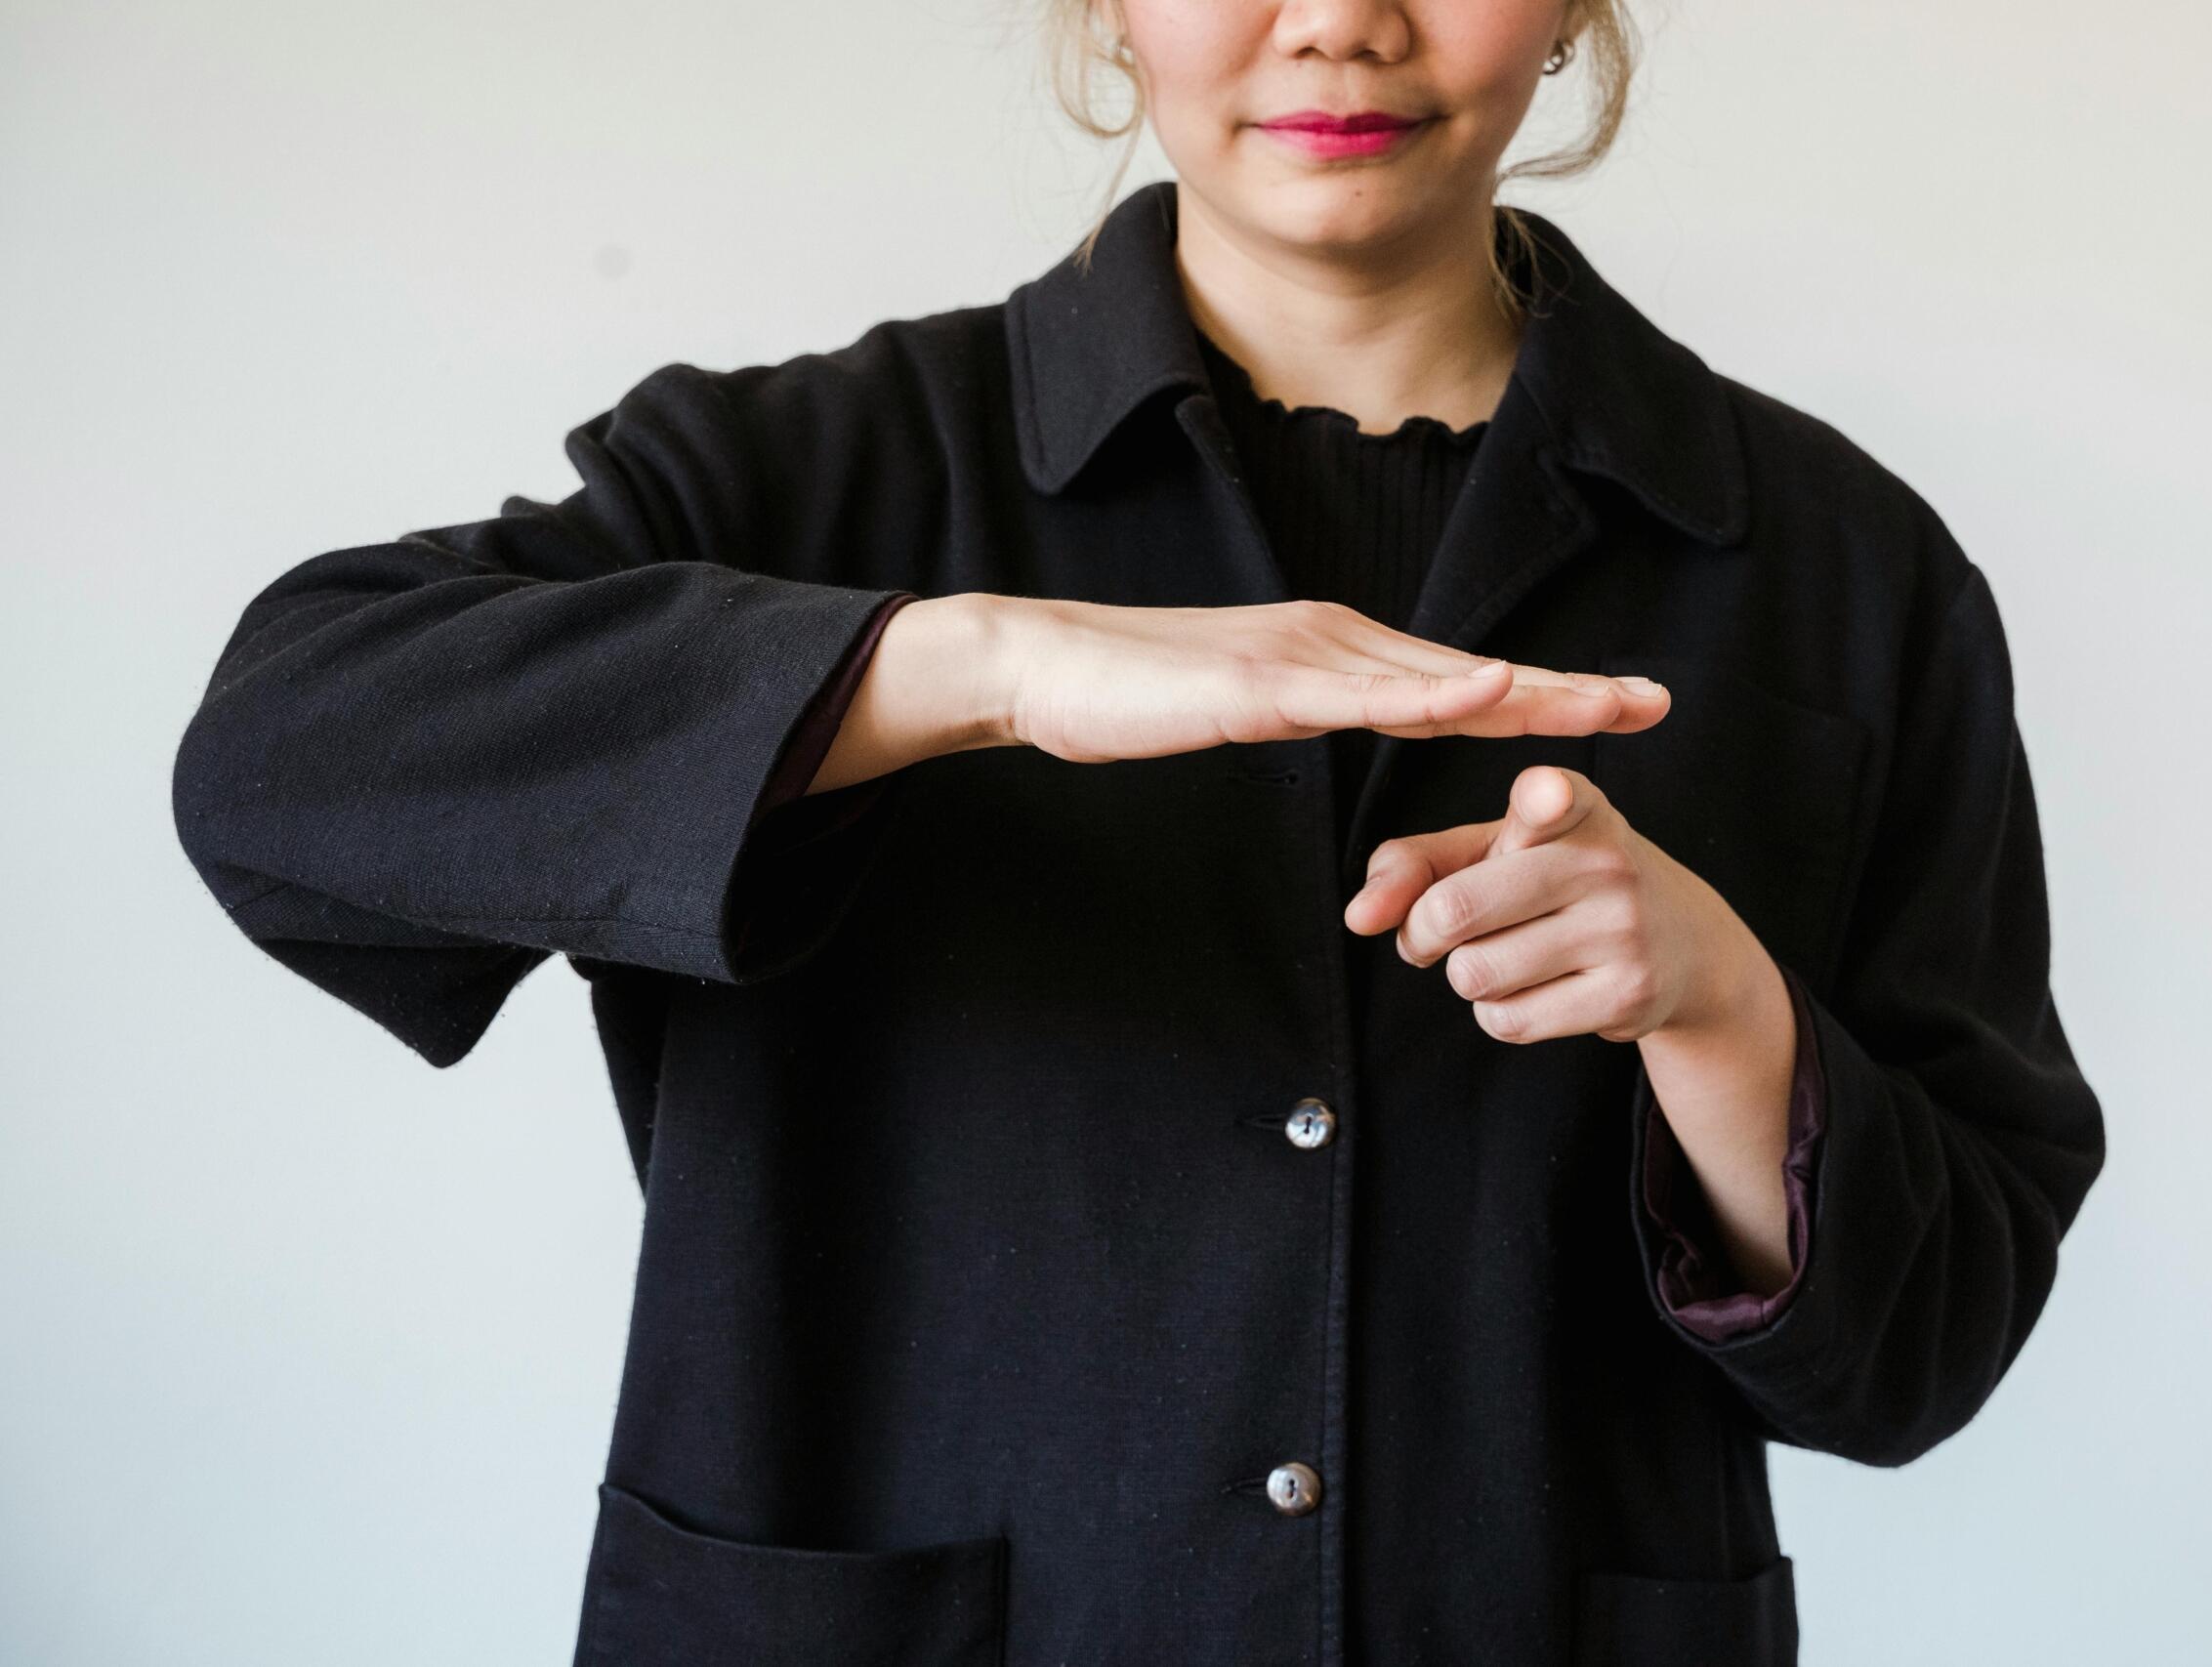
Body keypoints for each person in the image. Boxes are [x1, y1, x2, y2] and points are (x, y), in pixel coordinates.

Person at [169, 2, 2106, 1662]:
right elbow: (280, 757)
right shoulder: (795, 473)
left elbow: (1927, 1344)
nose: (1340, 20)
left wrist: (1720, 1015)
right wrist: (959, 665)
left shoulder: (1848, 572)